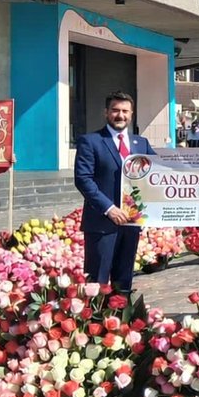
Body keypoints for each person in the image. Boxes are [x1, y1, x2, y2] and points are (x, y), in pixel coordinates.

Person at [73, 91, 154, 292]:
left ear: (131, 113)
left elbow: (159, 173)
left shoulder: (141, 143)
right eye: (115, 110)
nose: (120, 115)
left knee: (124, 280)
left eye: (125, 111)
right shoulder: (90, 141)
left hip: (131, 223)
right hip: (102, 223)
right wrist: (109, 209)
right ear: (106, 112)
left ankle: (121, 320)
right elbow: (83, 179)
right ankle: (93, 321)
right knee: (96, 281)